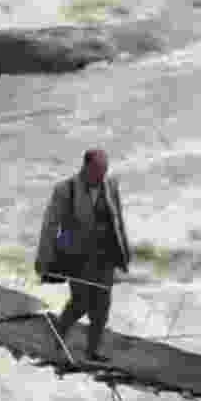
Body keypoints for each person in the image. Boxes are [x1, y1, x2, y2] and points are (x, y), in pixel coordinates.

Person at [34, 148, 131, 362]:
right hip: (77, 258)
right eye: (98, 170)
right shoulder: (65, 189)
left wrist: (125, 252)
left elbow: (118, 221)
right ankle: (58, 335)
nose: (102, 175)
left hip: (105, 257)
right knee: (81, 303)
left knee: (102, 308)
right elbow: (50, 226)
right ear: (85, 167)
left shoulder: (110, 186)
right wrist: (43, 260)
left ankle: (92, 351)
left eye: (104, 170)